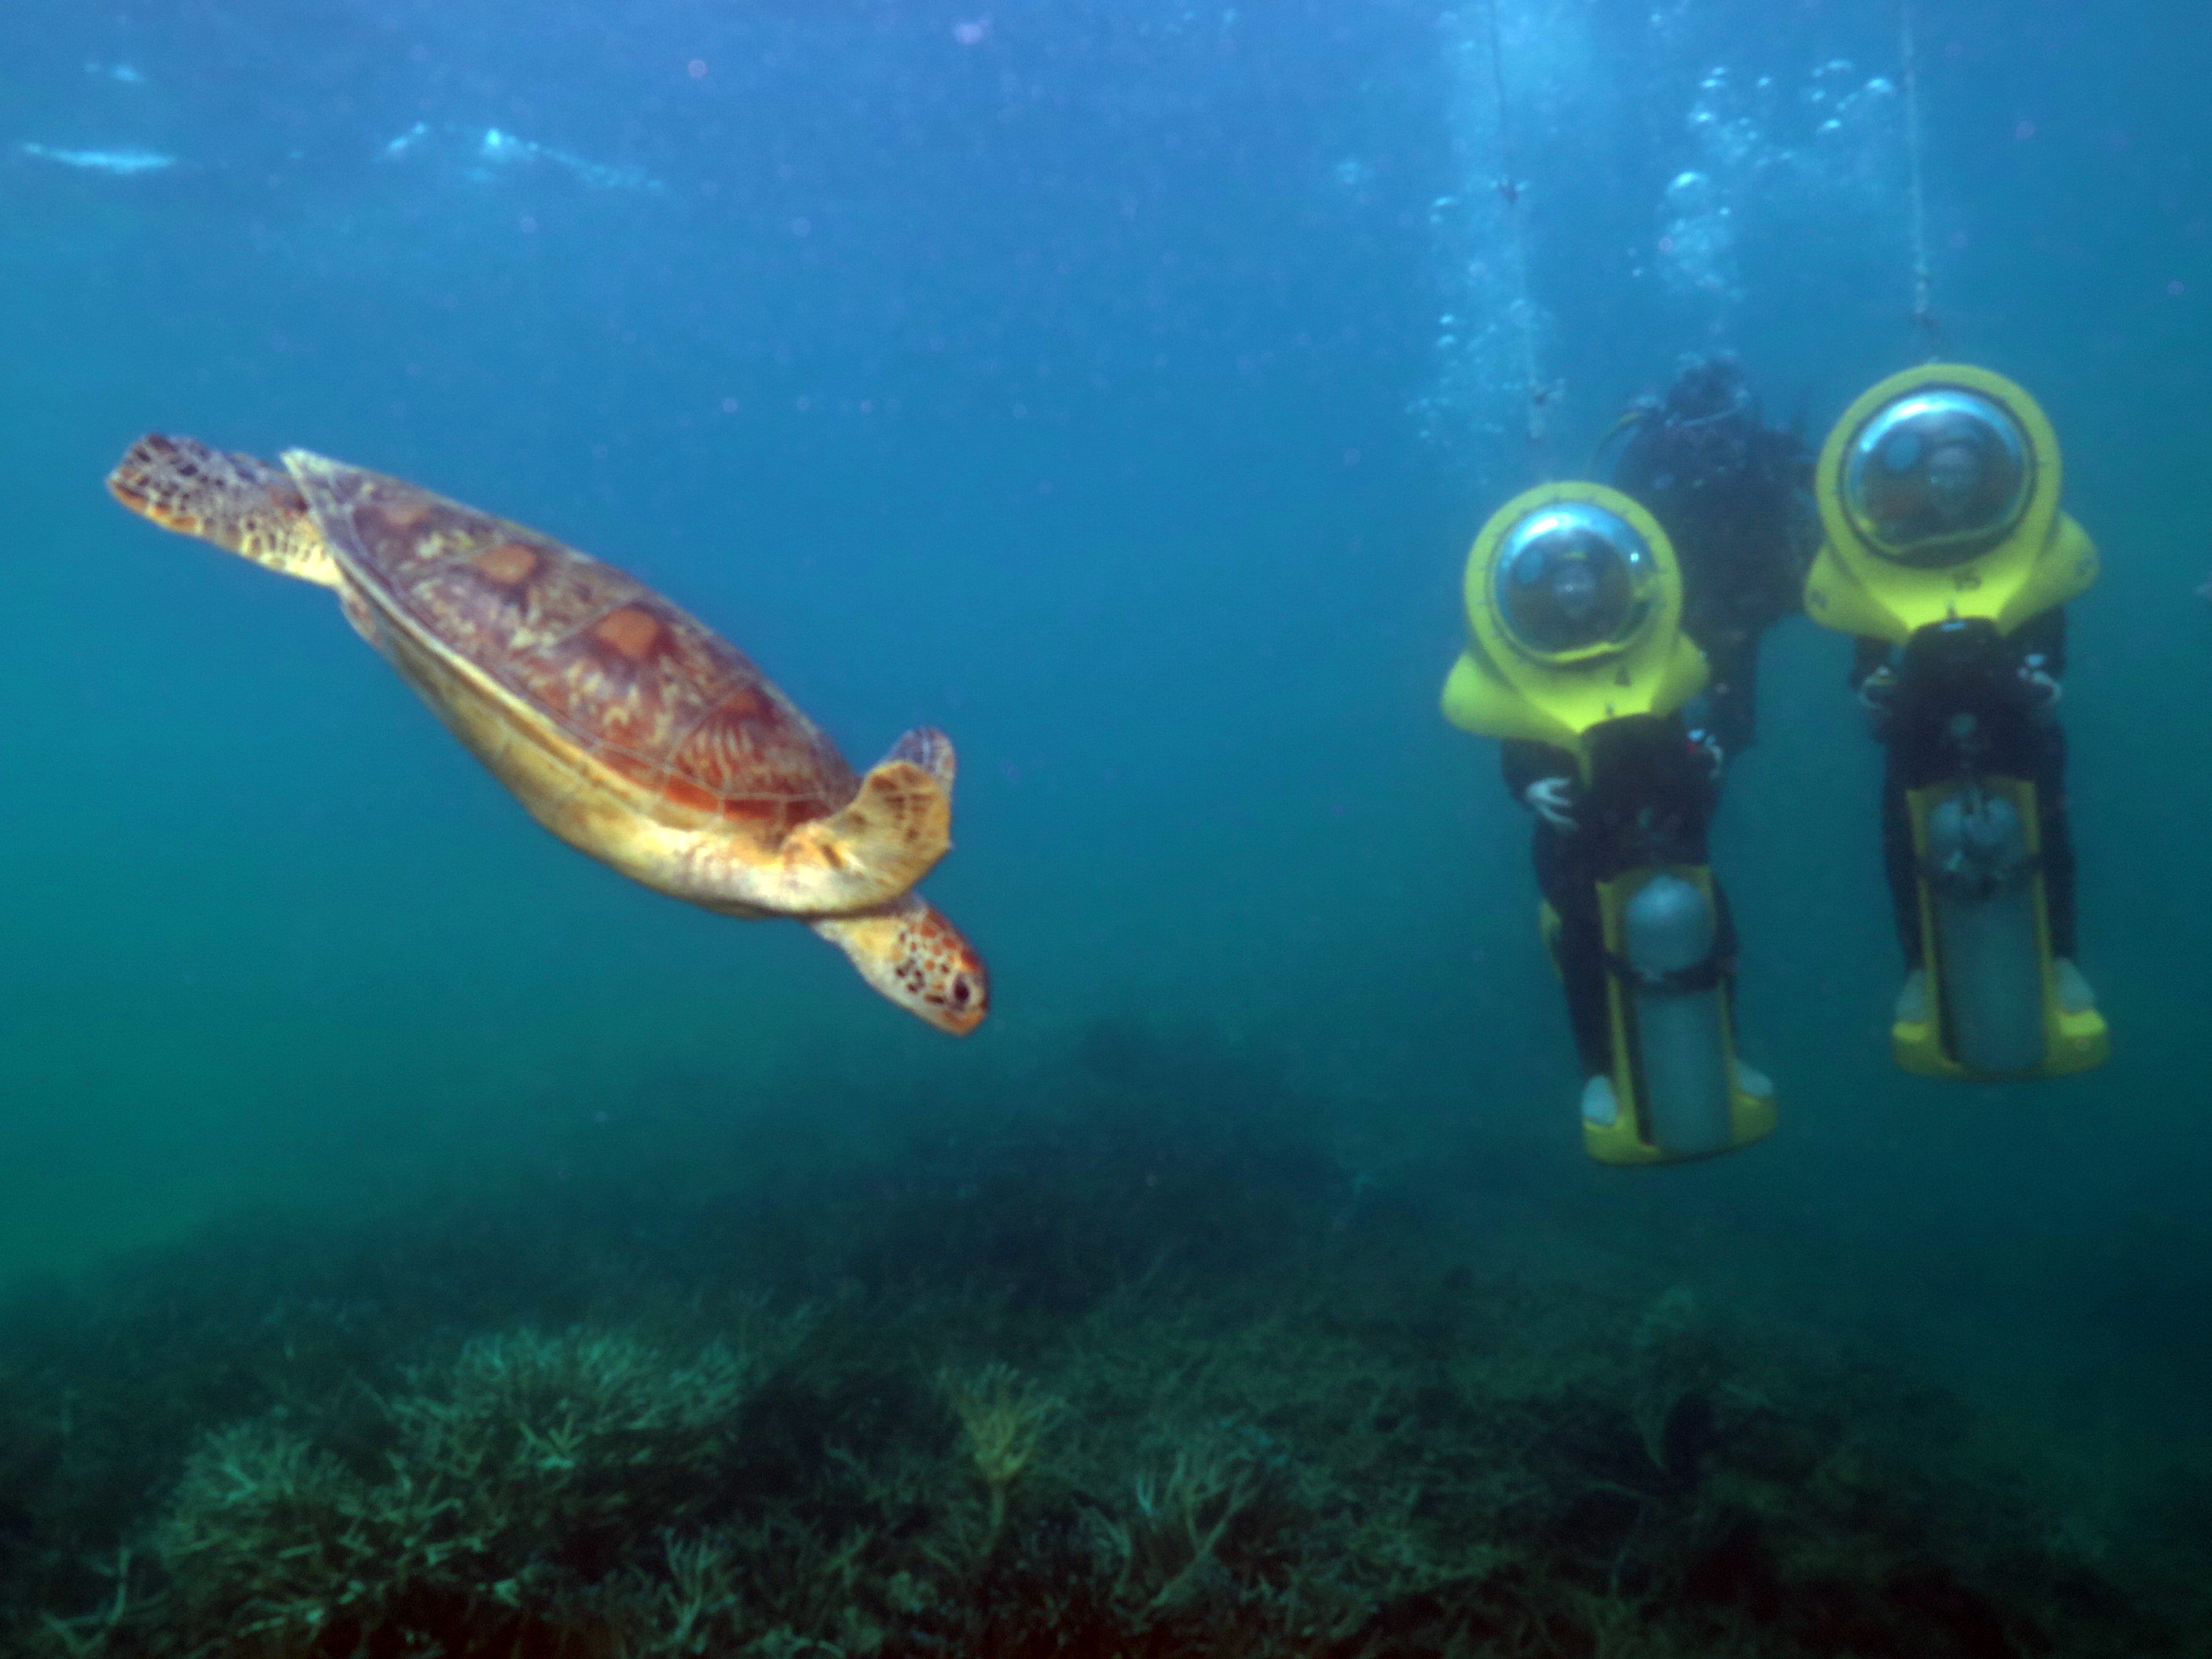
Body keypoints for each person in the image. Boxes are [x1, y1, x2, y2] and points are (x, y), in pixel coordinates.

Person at [1442, 483, 1775, 1163]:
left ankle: (1727, 1051)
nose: (1574, 592)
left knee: (1715, 923)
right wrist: (1532, 790)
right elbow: (1517, 749)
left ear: (1603, 582)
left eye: (1584, 578)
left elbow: (1677, 721)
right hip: (1578, 833)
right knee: (1586, 943)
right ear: (1545, 590)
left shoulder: (1643, 635)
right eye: (1562, 581)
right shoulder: (1523, 652)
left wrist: (1702, 755)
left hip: (1659, 817)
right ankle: (1598, 1072)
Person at [1802, 364, 2104, 1076]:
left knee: (2051, 823)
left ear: (1984, 474)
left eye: (1964, 472)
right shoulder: (1887, 536)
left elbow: (2045, 608)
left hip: (2009, 694)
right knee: (1900, 828)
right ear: (1923, 479)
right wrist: (1868, 685)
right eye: (1940, 474)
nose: (1952, 486)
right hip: (1922, 705)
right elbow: (1868, 631)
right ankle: (1917, 968)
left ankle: (2060, 959)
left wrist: (2044, 675)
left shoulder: (2015, 529)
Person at [1607, 352, 1814, 761]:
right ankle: (1682, 769)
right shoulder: (1659, 452)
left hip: (1729, 604)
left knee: (1719, 728)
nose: (1713, 440)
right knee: (1666, 724)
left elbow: (1823, 480)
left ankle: (1696, 771)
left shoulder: (1756, 448)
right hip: (1681, 608)